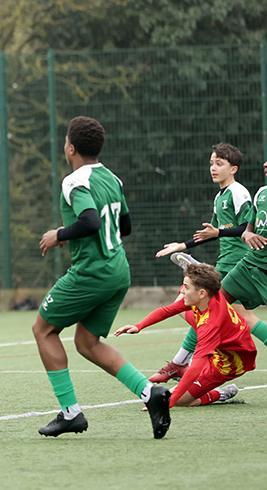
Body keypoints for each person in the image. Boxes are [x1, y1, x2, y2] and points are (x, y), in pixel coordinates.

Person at [33, 116, 172, 438]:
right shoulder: (112, 178)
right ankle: (150, 392)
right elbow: (124, 227)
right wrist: (74, 233)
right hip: (118, 270)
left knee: (43, 330)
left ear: (70, 148)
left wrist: (59, 234)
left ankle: (71, 413)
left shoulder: (74, 181)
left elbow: (92, 222)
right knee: (87, 342)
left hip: (92, 272)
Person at [150, 143, 267, 382]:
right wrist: (181, 245)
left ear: (233, 169)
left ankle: (183, 364)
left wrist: (222, 233)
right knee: (220, 314)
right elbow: (210, 233)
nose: (213, 168)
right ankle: (187, 365)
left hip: (237, 263)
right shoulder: (220, 197)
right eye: (211, 163)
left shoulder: (239, 193)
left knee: (194, 306)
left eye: (219, 163)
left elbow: (244, 228)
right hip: (227, 262)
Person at [114, 263, 253, 407]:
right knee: (179, 304)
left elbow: (195, 369)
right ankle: (179, 366)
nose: (182, 291)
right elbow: (167, 310)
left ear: (202, 293)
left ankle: (220, 393)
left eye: (186, 287)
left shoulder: (210, 326)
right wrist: (139, 326)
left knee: (180, 400)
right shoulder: (207, 298)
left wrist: (169, 403)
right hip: (222, 339)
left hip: (229, 363)